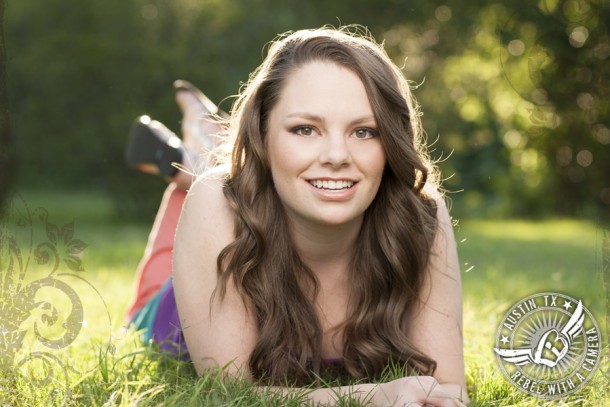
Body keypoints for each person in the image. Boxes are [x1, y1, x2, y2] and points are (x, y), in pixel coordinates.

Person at [125, 26, 469, 406]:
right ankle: (193, 162)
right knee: (200, 193)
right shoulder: (216, 204)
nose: (337, 155)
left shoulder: (420, 214)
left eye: (364, 131)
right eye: (305, 129)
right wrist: (371, 397)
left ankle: (207, 143)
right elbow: (230, 394)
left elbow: (449, 390)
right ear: (262, 135)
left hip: (266, 190)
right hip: (176, 298)